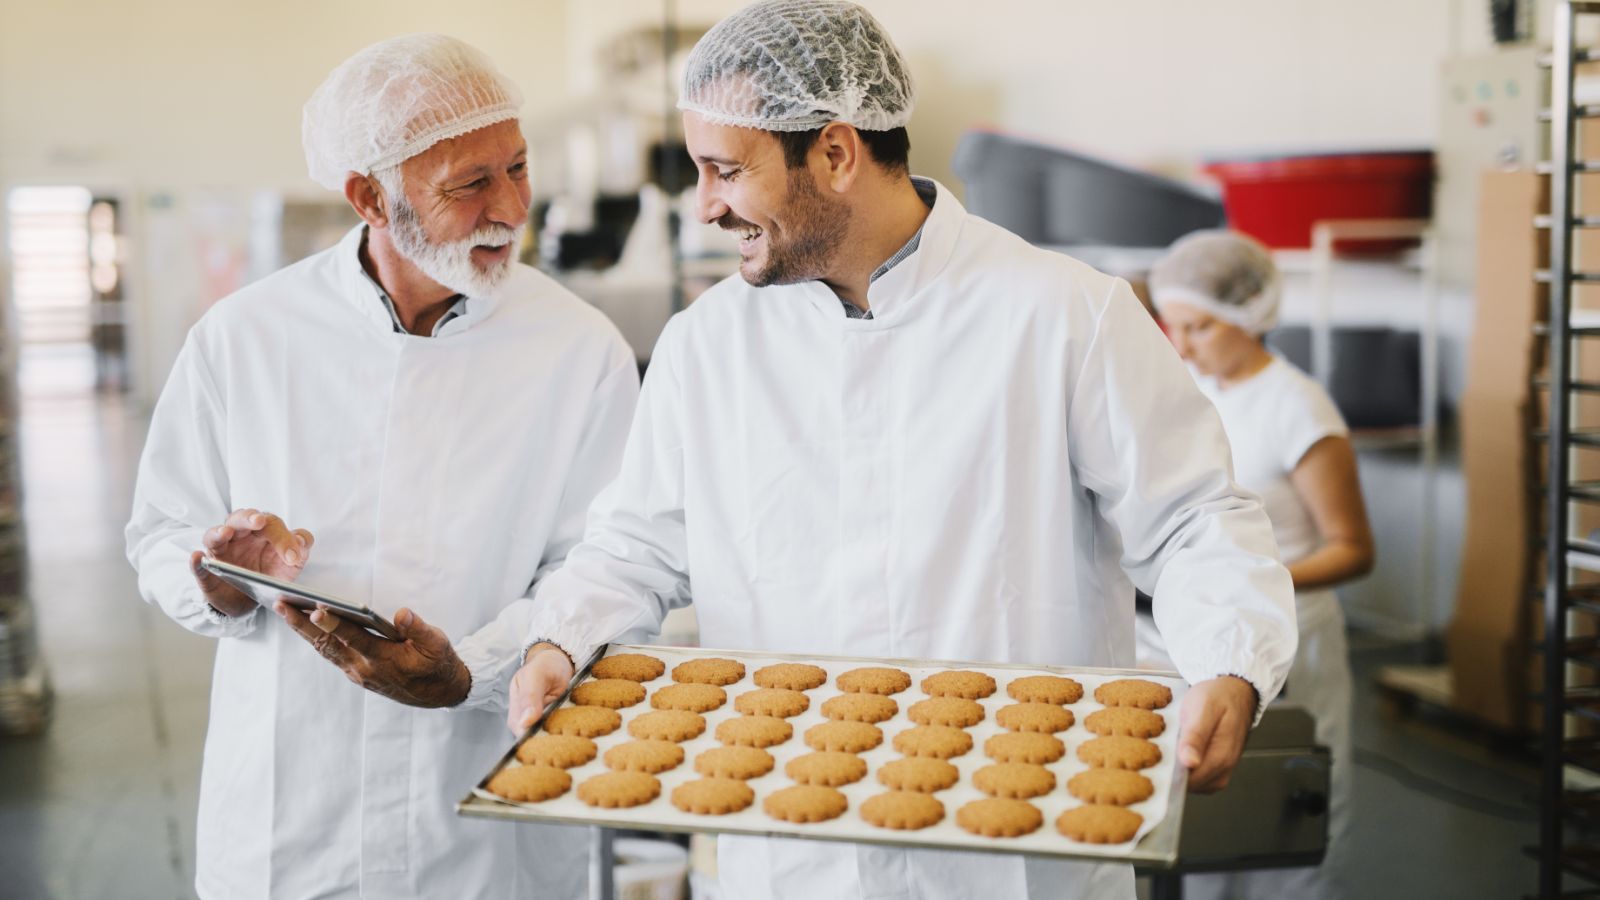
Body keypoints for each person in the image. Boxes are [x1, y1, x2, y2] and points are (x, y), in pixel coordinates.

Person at [508, 2, 1296, 898]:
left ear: (837, 153)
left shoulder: (1063, 315)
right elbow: (635, 547)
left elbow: (1193, 518)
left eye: (726, 170)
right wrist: (560, 644)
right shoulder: (709, 345)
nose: (707, 205)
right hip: (790, 843)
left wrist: (1231, 661)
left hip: (1016, 855)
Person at [124, 34, 639, 900]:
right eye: (470, 184)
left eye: (517, 167)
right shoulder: (247, 338)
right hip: (293, 822)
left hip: (482, 816)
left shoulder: (579, 349)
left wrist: (469, 672)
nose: (510, 207)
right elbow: (157, 534)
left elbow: (603, 565)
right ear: (369, 195)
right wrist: (218, 576)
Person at [1147, 229, 1375, 900]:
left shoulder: (1297, 407)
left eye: (1201, 327)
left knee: (1286, 818)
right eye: (1173, 326)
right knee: (1208, 812)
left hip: (1293, 643)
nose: (1182, 344)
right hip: (1198, 639)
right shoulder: (1186, 389)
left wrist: (1248, 580)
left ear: (1250, 317)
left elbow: (1354, 548)